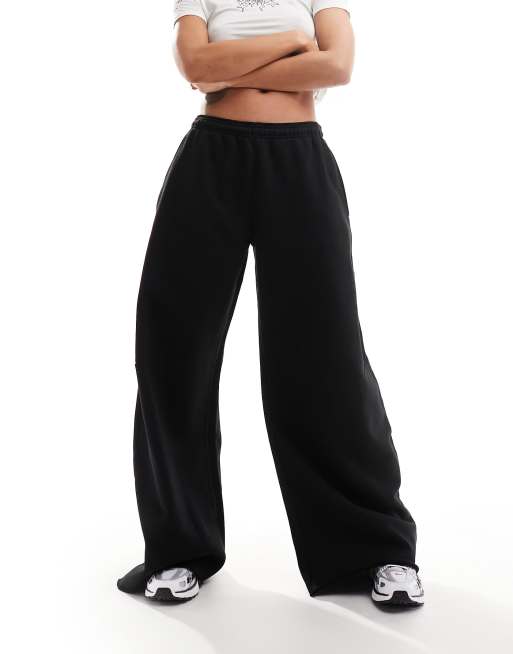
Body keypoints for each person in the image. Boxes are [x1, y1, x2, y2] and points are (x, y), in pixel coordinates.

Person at [117, 0, 424, 607]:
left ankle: (375, 551)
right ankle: (178, 551)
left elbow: (336, 68)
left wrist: (231, 64)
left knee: (327, 358)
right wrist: (292, 46)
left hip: (299, 160)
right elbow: (196, 68)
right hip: (210, 160)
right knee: (174, 351)